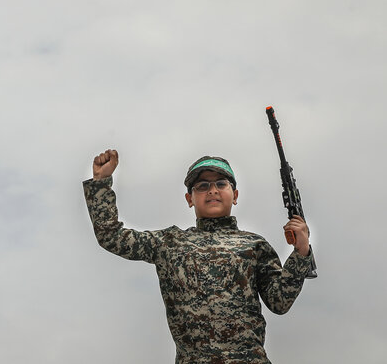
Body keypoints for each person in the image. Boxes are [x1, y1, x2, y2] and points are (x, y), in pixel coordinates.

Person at [83, 149, 315, 364]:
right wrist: (101, 183)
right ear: (189, 199)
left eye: (221, 183)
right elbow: (111, 236)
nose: (212, 190)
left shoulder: (254, 245)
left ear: (234, 195)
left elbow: (279, 301)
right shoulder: (169, 243)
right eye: (202, 186)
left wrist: (301, 252)